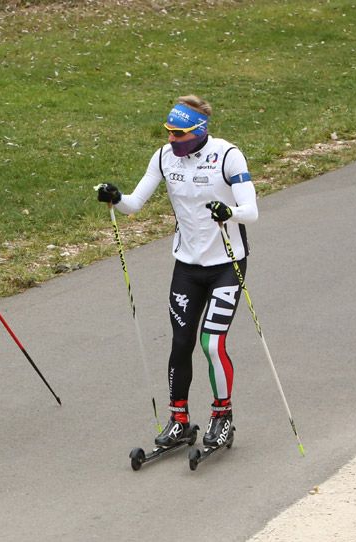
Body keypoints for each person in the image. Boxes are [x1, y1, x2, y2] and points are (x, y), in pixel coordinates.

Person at [96, 94, 258, 449]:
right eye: (169, 132)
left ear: (199, 131)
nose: (172, 139)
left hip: (226, 264)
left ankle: (222, 415)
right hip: (187, 265)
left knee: (211, 343)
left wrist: (229, 213)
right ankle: (179, 419)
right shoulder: (163, 157)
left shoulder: (228, 155)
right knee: (181, 343)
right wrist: (115, 197)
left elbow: (251, 211)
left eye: (179, 134)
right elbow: (134, 204)